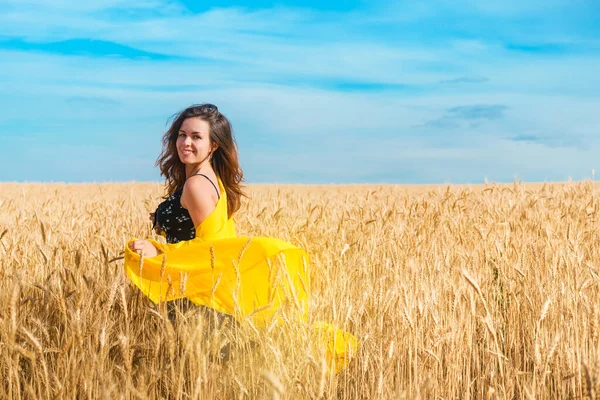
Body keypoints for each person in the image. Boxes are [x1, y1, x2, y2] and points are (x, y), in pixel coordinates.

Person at [124, 104, 357, 372]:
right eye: (182, 134)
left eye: (196, 137)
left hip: (195, 291)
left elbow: (209, 249)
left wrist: (158, 252)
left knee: (205, 369)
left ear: (213, 145)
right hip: (204, 286)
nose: (185, 142)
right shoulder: (209, 179)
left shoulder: (196, 184)